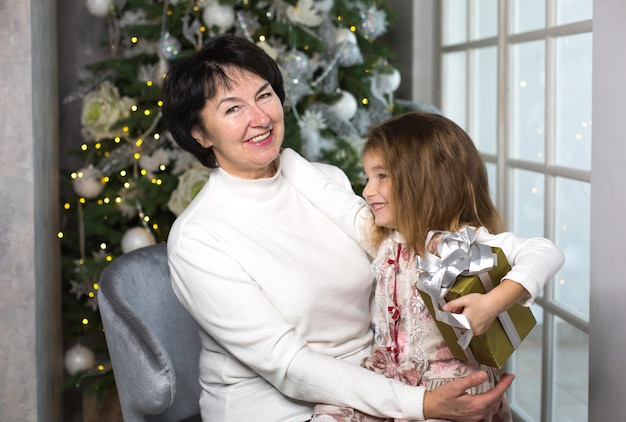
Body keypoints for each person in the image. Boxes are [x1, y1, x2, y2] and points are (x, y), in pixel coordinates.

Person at [162, 34, 536, 421]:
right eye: (232, 108)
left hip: (380, 378)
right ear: (200, 134)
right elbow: (288, 365)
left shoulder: (323, 182)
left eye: (264, 95)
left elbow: (408, 261)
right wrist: (421, 405)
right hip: (279, 407)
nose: (259, 118)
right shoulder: (198, 238)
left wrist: (467, 377)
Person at [287, 112, 565, 422]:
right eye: (367, 177)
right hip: (389, 377)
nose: (367, 190)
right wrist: (280, 158)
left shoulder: (462, 243)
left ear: (424, 179)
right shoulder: (383, 237)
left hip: (450, 385)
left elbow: (545, 252)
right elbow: (328, 197)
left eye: (381, 176)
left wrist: (491, 304)